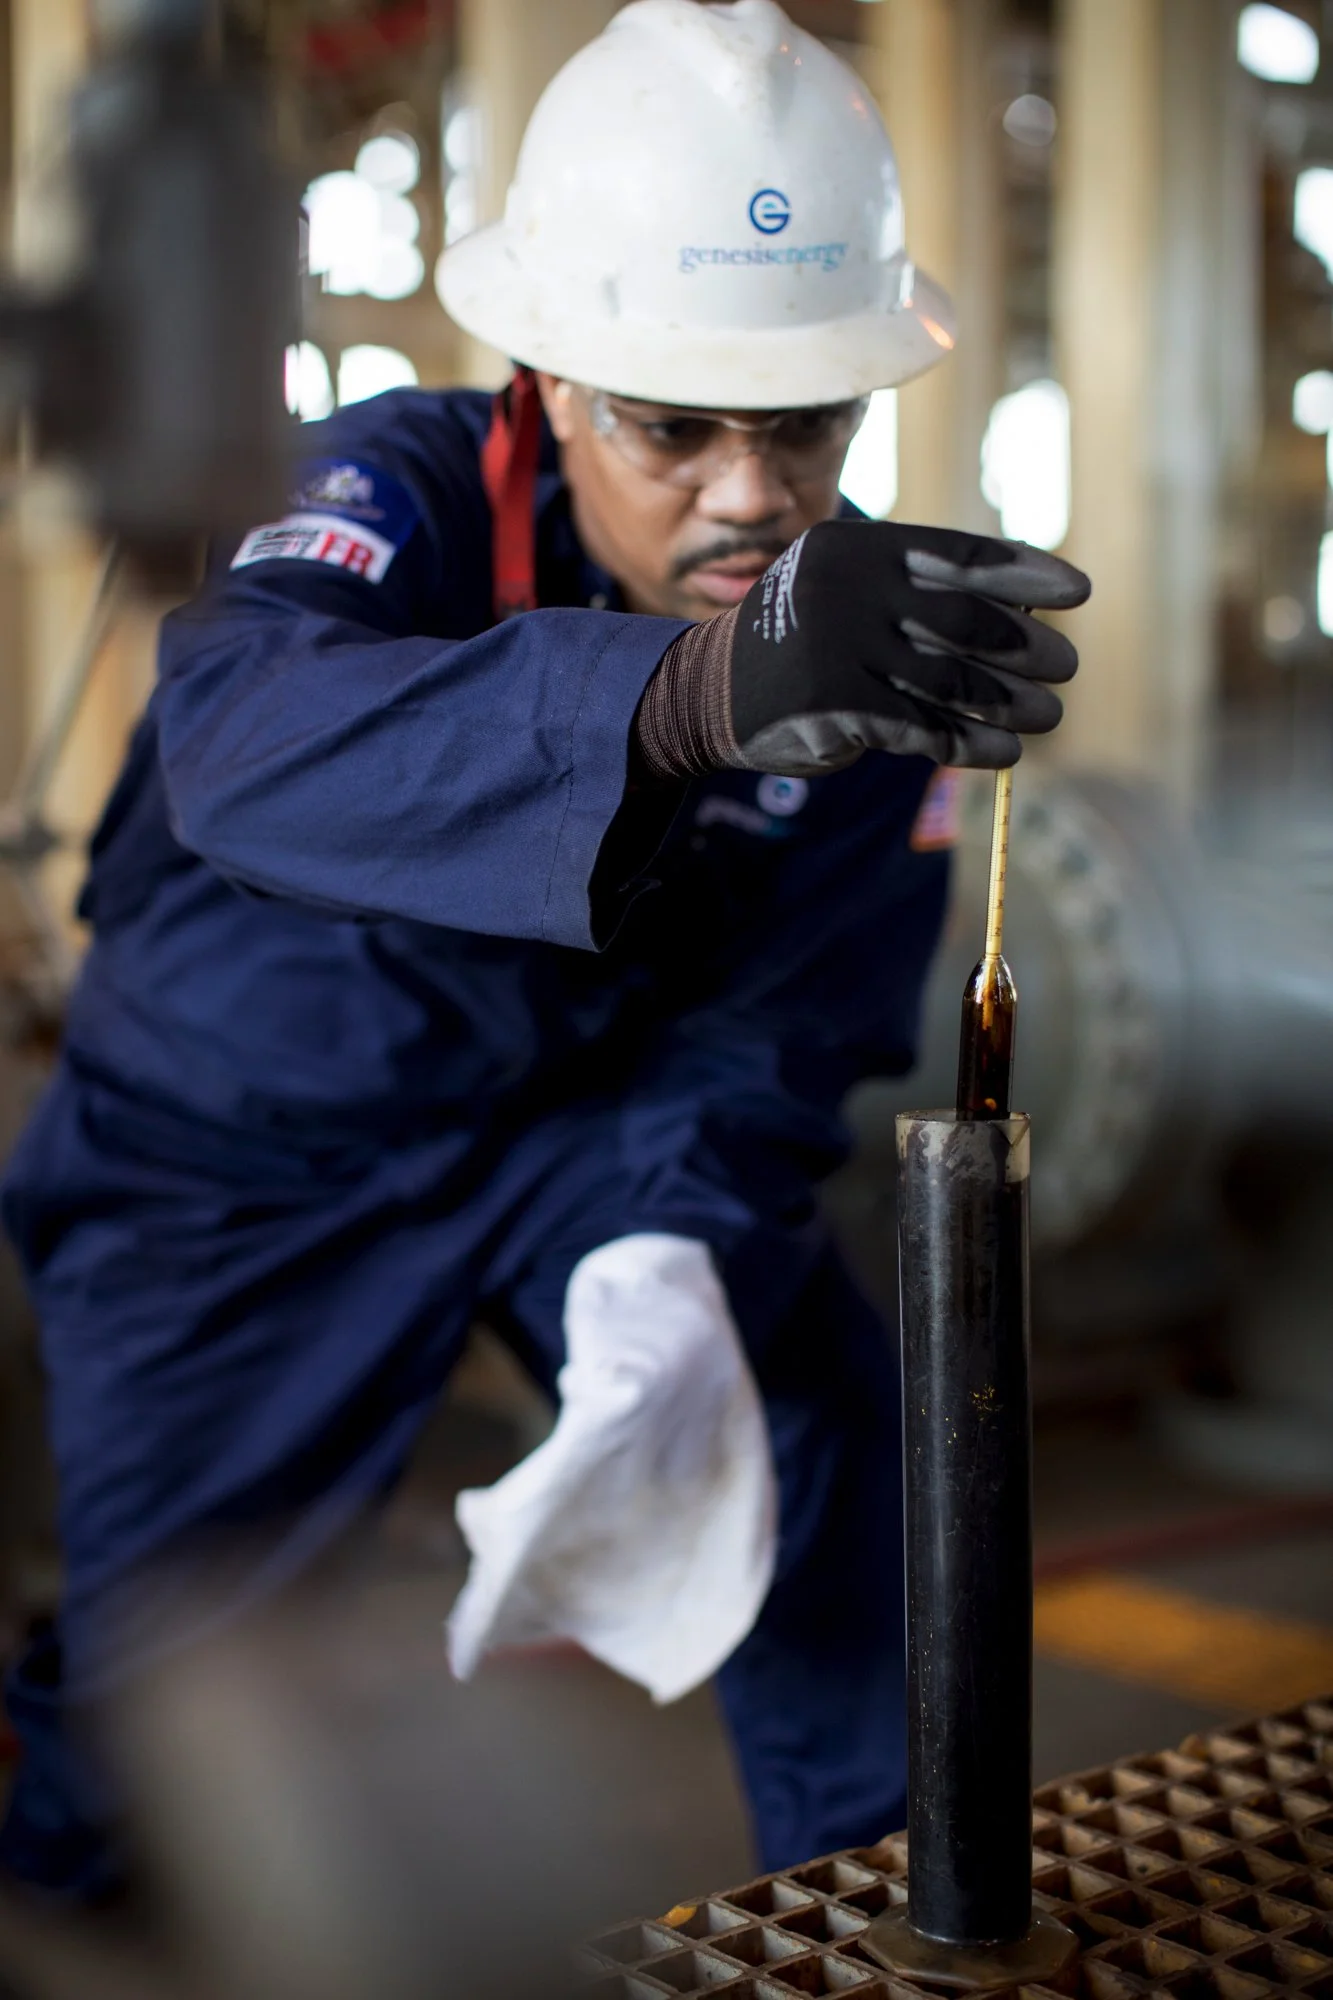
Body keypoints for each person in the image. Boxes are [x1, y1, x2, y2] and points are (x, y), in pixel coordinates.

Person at [0, 0, 1088, 1902]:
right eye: (674, 426)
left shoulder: (849, 646)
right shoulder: (386, 491)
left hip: (571, 1135)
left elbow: (788, 1012)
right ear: (555, 387)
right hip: (244, 1161)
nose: (749, 494)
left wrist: (674, 1242)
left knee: (831, 1428)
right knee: (142, 1720)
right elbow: (247, 750)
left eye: (807, 423)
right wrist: (688, 698)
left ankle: (899, 1893)